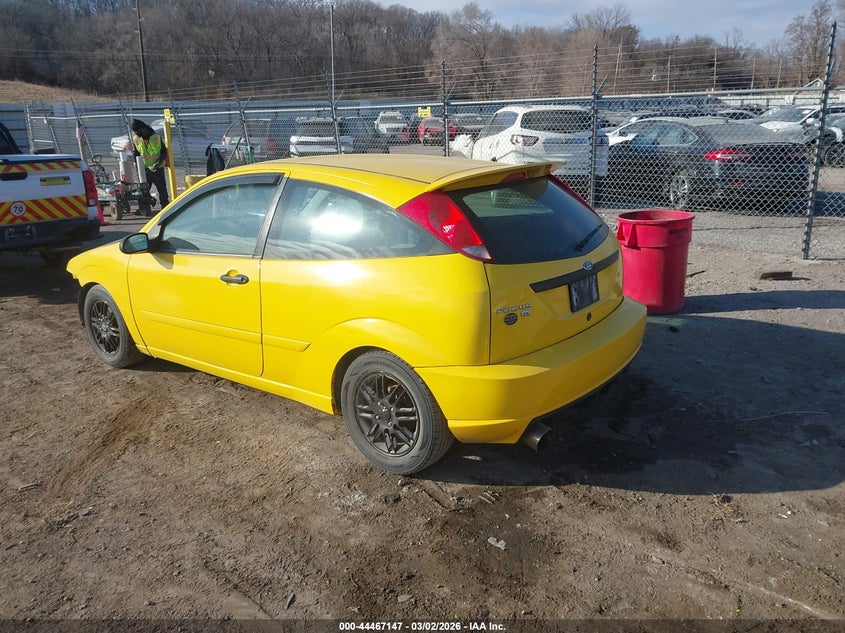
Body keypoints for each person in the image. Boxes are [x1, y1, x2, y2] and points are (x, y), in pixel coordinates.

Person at [131, 119, 170, 208]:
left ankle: (165, 208)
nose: (136, 133)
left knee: (162, 190)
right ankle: (144, 208)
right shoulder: (136, 139)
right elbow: (136, 152)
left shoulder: (155, 137)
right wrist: (136, 163)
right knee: (144, 191)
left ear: (143, 129)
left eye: (137, 131)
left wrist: (158, 162)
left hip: (157, 168)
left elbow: (163, 152)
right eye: (135, 131)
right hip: (144, 169)